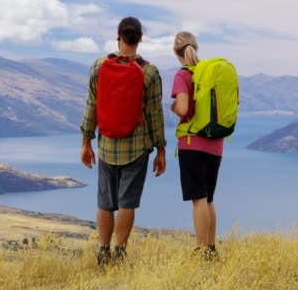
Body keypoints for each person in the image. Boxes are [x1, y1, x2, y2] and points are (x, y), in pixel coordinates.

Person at [80, 16, 167, 265]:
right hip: (137, 147)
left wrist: (86, 142)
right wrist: (161, 149)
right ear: (140, 39)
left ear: (118, 36)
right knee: (128, 202)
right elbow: (154, 116)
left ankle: (102, 251)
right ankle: (120, 253)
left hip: (106, 145)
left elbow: (91, 107)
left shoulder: (98, 66)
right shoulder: (149, 72)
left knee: (106, 202)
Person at [170, 31, 223, 259]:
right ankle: (211, 249)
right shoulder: (211, 73)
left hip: (192, 144)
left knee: (198, 199)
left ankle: (201, 252)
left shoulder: (183, 75)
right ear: (196, 48)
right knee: (209, 199)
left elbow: (182, 109)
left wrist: (172, 108)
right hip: (216, 144)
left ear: (176, 51)